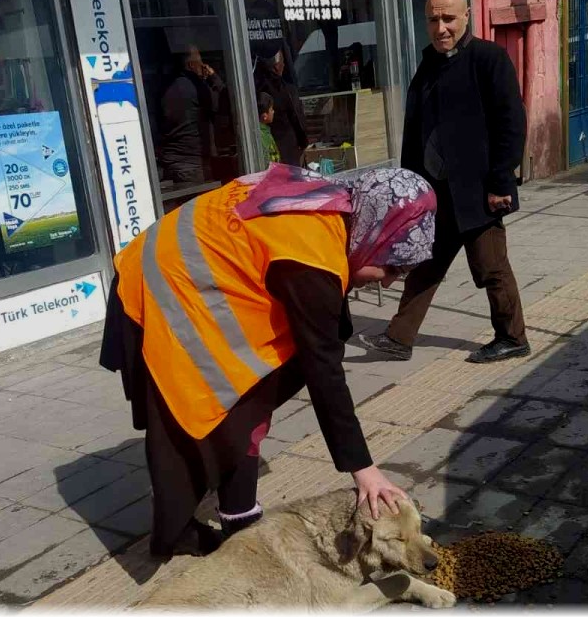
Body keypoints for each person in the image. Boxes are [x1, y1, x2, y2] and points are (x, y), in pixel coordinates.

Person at [99, 163, 438, 559]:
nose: (388, 281)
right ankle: (178, 534)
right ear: (375, 232)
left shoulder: (333, 205)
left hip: (185, 277)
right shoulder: (310, 254)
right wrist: (363, 469)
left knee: (246, 406)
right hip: (158, 288)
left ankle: (239, 518)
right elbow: (324, 371)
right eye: (391, 264)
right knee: (197, 415)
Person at [357, 0, 529, 365]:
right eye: (433, 19)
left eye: (449, 18)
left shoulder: (488, 60)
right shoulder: (427, 66)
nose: (441, 28)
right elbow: (414, 134)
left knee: (490, 267)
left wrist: (501, 180)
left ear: (466, 16)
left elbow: (512, 123)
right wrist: (407, 192)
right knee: (424, 266)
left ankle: (512, 336)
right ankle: (399, 338)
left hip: (479, 192)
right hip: (436, 196)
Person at [158, 45, 225, 186]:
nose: (203, 65)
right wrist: (213, 78)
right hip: (193, 162)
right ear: (191, 65)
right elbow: (224, 103)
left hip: (172, 160)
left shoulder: (167, 87)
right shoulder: (196, 87)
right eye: (200, 61)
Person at [253, 49, 308, 167]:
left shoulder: (253, 89)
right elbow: (297, 117)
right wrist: (303, 141)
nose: (284, 65)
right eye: (283, 62)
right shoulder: (286, 89)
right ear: (277, 66)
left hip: (267, 146)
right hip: (287, 146)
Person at [257, 92, 282, 165]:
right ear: (265, 116)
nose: (273, 112)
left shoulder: (265, 131)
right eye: (271, 109)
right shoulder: (262, 136)